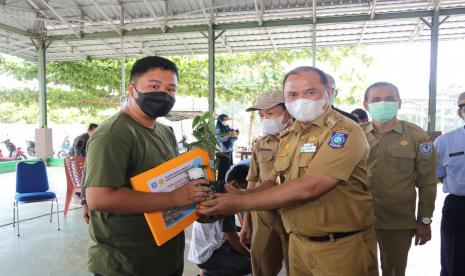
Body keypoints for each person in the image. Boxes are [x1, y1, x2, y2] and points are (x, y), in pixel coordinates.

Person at [200, 66, 378, 276]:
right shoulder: (290, 136)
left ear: (329, 93)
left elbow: (311, 186)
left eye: (310, 92)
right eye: (292, 94)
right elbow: (274, 180)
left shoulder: (344, 131)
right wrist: (243, 194)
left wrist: (238, 203)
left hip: (339, 246)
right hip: (298, 243)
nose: (301, 100)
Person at [83, 56, 211, 276]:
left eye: (171, 89)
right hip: (126, 263)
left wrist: (195, 203)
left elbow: (169, 181)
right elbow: (99, 198)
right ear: (132, 89)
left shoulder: (165, 132)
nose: (164, 94)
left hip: (165, 254)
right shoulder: (114, 134)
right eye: (154, 86)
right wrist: (174, 199)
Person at [361, 82, 438, 276]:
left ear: (399, 103)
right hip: (359, 219)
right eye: (376, 100)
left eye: (389, 99)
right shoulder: (355, 135)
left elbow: (428, 182)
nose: (383, 103)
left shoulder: (417, 136)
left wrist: (424, 220)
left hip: (397, 221)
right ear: (366, 105)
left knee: (393, 270)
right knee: (359, 268)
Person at [240, 91, 291, 276]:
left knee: (297, 266)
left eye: (270, 113)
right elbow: (252, 183)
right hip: (263, 217)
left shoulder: (301, 140)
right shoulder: (260, 144)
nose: (265, 119)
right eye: (261, 115)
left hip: (295, 214)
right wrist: (246, 223)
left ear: (289, 112)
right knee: (261, 266)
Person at [188, 163, 252, 276]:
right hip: (207, 255)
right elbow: (233, 241)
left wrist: (242, 228)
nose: (247, 193)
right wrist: (250, 255)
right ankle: (209, 272)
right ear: (235, 185)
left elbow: (226, 228)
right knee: (249, 264)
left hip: (204, 247)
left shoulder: (217, 191)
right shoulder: (226, 205)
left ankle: (208, 271)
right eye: (245, 189)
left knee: (244, 246)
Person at [434, 91, 465, 276]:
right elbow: (438, 174)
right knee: (454, 261)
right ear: (460, 112)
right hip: (459, 208)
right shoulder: (446, 141)